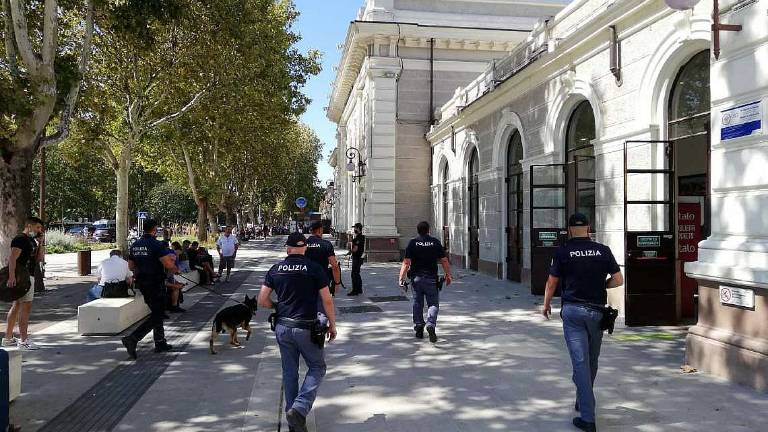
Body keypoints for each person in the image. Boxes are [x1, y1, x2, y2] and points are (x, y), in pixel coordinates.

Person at [542, 213, 623, 432]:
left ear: (569, 230)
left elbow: (551, 282)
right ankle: (583, 397)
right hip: (597, 314)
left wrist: (546, 304)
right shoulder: (602, 250)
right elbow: (618, 279)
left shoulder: (563, 252)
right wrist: (600, 286)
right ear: (589, 228)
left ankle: (588, 419)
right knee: (591, 361)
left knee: (580, 363)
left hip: (573, 313)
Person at [258, 232, 337, 432]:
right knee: (317, 367)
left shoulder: (276, 269)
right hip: (307, 328)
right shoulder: (314, 269)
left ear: (288, 248)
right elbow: (327, 300)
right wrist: (333, 325)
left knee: (289, 371)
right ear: (305, 249)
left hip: (283, 327)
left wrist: (277, 306)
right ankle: (300, 409)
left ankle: (293, 418)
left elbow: (262, 300)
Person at [122, 219, 178, 359]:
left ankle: (160, 342)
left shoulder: (135, 245)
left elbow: (130, 266)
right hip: (155, 283)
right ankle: (133, 338)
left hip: (143, 284)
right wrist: (173, 262)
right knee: (158, 314)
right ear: (154, 229)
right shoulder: (156, 244)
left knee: (156, 312)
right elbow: (169, 265)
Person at [398, 221, 453, 343]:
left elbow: (406, 263)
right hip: (431, 279)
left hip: (416, 279)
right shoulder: (435, 242)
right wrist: (448, 275)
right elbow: (444, 261)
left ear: (418, 231)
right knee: (433, 304)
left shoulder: (413, 243)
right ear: (429, 230)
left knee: (418, 303)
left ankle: (418, 326)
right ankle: (431, 325)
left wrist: (401, 278)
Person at [3, 216, 45, 350]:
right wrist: (11, 277)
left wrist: (41, 243)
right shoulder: (20, 239)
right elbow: (12, 258)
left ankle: (8, 338)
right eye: (37, 227)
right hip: (22, 277)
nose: (39, 230)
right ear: (29, 226)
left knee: (16, 306)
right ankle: (24, 340)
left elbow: (39, 259)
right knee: (25, 308)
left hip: (28, 276)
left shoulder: (32, 241)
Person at [305, 221, 342, 296]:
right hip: (322, 281)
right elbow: (334, 265)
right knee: (322, 305)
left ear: (311, 231)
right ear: (320, 230)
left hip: (306, 280)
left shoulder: (303, 244)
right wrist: (337, 283)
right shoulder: (326, 244)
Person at [347, 223, 365, 296]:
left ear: (358, 228)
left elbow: (355, 249)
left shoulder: (358, 238)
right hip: (360, 258)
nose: (354, 230)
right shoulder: (361, 237)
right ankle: (359, 289)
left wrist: (350, 252)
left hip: (357, 258)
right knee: (357, 273)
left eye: (355, 228)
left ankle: (355, 290)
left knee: (354, 274)